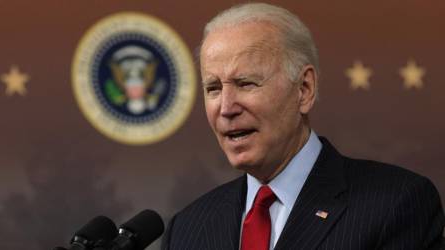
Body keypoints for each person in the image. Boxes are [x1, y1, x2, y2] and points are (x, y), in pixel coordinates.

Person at [161, 2, 445, 250]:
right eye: (213, 88)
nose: (226, 108)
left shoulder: (394, 204)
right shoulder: (187, 229)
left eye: (246, 83)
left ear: (304, 90)